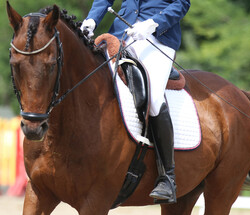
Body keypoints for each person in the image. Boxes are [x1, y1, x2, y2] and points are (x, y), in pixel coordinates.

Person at [81, 0, 191, 203]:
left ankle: (167, 177)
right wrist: (91, 19)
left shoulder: (157, 29)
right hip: (121, 33)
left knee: (154, 99)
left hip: (157, 39)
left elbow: (182, 3)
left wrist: (154, 23)